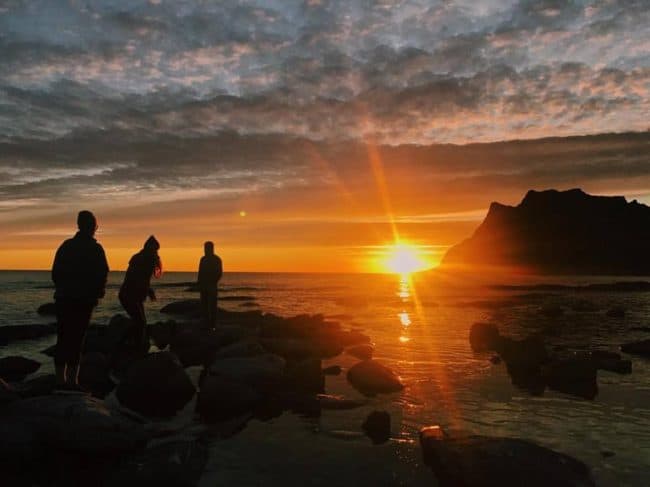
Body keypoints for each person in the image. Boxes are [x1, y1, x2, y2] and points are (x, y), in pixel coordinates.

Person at [52, 210, 109, 390]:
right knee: (77, 339)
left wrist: (64, 287)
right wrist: (97, 292)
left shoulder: (66, 246)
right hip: (83, 300)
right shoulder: (95, 249)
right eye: (94, 226)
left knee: (63, 337)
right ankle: (71, 382)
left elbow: (56, 273)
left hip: (64, 298)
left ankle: (60, 381)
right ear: (92, 227)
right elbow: (103, 273)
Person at [119, 236, 162, 354]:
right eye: (155, 250)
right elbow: (139, 279)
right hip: (129, 296)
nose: (157, 253)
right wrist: (148, 290)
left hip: (131, 296)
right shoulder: (144, 260)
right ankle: (135, 349)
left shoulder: (140, 258)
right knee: (140, 323)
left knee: (140, 322)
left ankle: (133, 345)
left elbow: (142, 279)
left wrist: (148, 291)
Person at [197, 241, 223, 330]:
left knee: (212, 306)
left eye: (207, 248)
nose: (205, 250)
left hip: (211, 285)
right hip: (204, 285)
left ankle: (212, 325)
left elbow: (219, 273)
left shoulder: (217, 259)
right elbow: (200, 272)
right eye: (205, 248)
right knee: (204, 305)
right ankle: (206, 323)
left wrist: (213, 281)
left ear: (211, 248)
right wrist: (199, 282)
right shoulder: (203, 259)